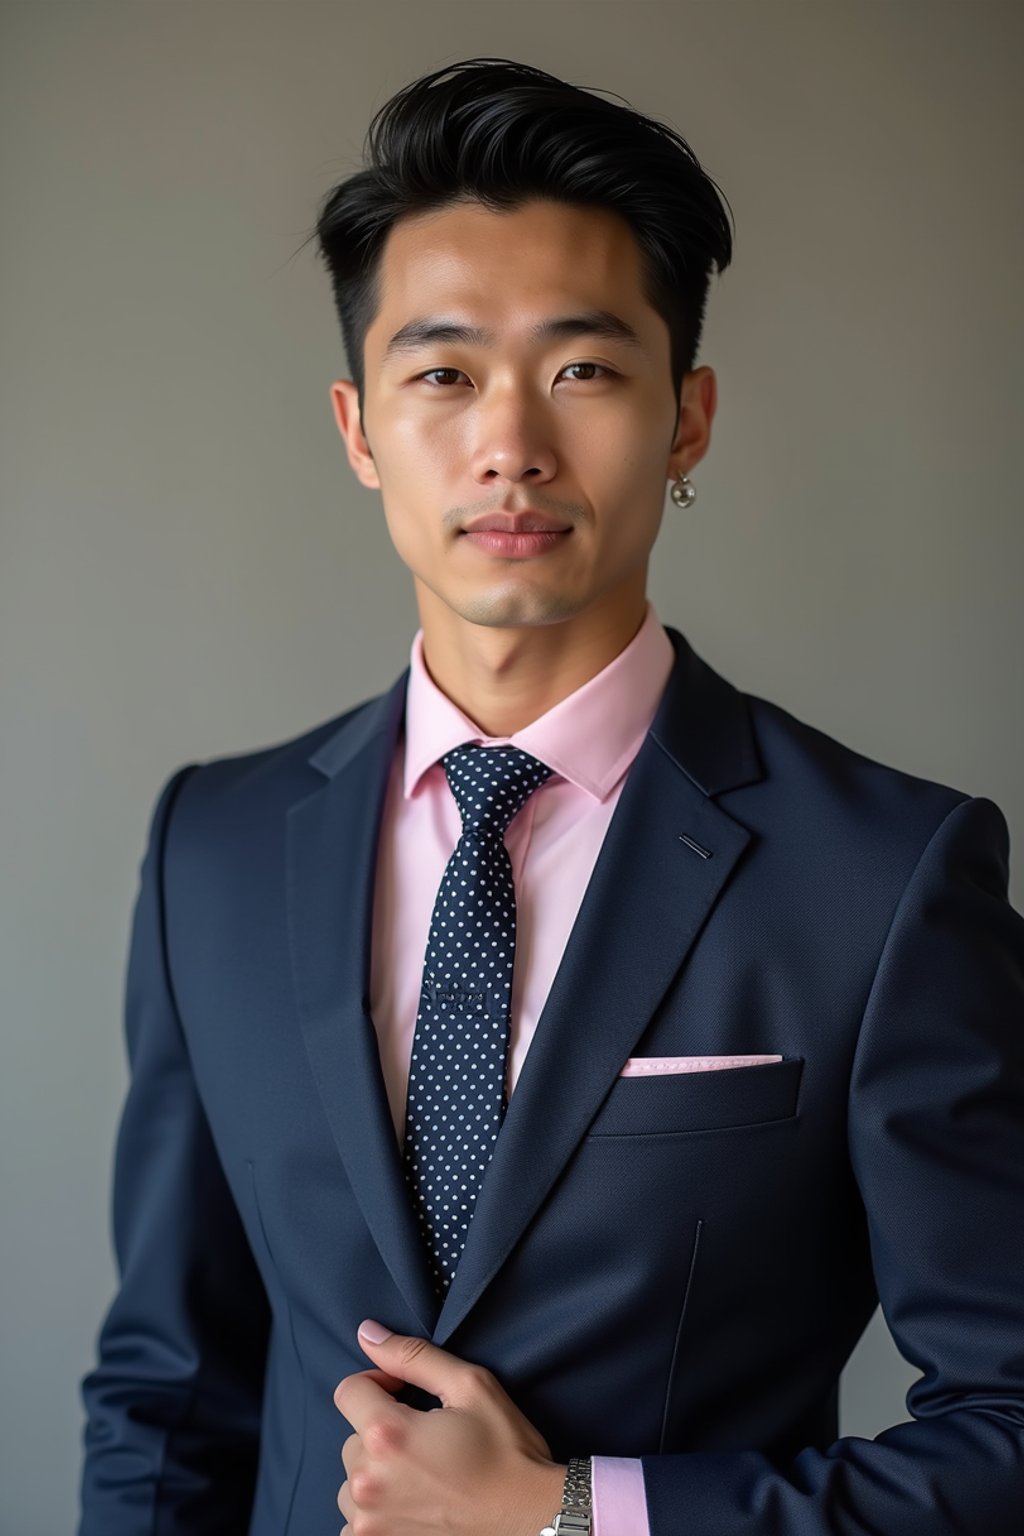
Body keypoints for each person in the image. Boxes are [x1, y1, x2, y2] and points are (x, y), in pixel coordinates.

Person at [78, 56, 1024, 1536]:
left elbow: (1012, 1430)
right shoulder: (216, 844)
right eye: (443, 373)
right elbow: (167, 1387)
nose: (510, 442)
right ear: (358, 428)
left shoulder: (887, 877)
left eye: (583, 368)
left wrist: (573, 1513)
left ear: (687, 417)